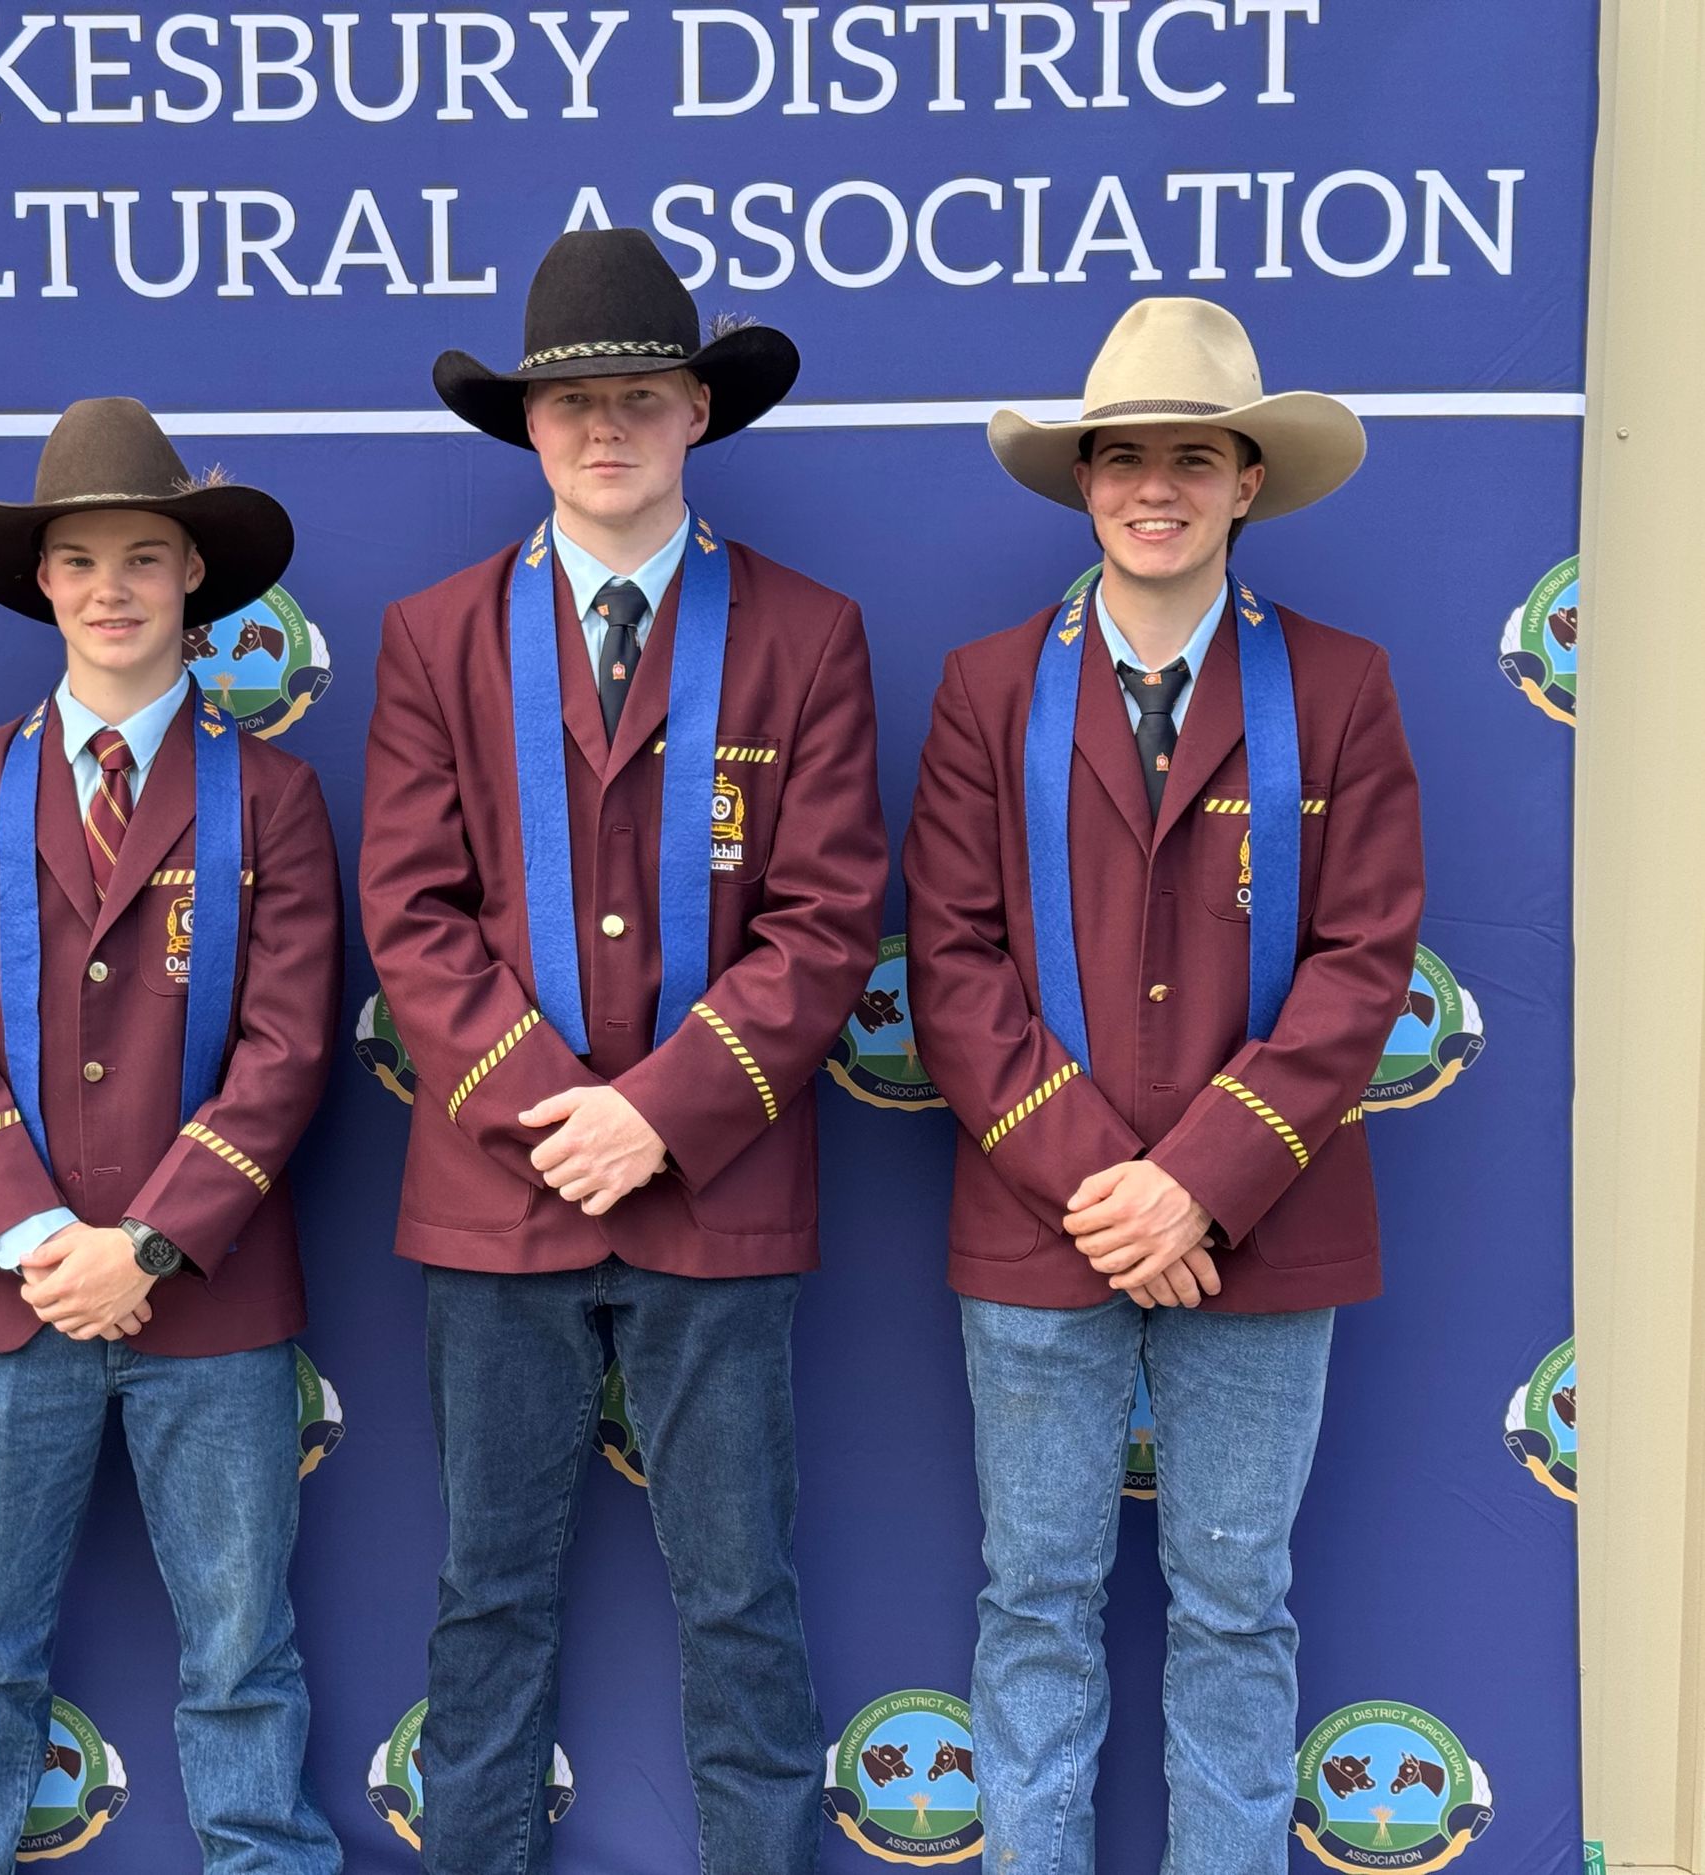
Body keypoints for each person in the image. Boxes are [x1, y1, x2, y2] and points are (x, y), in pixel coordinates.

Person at [358, 227, 885, 1875]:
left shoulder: (806, 632)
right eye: (574, 401)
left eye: (644, 396)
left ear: (698, 414)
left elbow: (826, 919)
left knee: (741, 1596)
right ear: (526, 425)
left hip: (716, 1192)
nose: (608, 428)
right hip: (496, 1197)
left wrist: (659, 1116)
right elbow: (413, 914)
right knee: (488, 1593)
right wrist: (554, 1113)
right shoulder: (436, 633)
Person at [904, 296, 1425, 1874]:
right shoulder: (990, 686)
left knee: (1236, 1607)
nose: (1156, 487)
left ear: (1248, 482)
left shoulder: (1339, 684)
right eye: (1124, 456)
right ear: (1083, 481)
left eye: (1194, 459)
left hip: (1266, 1225)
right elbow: (954, 961)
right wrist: (1111, 1189)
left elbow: (1363, 961)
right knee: (1036, 1600)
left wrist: (1196, 1181)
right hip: (1039, 1223)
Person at [0, 396, 343, 1874]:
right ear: (42, 581)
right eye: (80, 561)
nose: (112, 589)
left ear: (194, 575)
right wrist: (43, 1240)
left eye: (145, 556)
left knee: (239, 1649)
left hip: (207, 1298)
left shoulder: (274, 795)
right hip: (7, 1292)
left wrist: (144, 1244)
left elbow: (286, 1046)